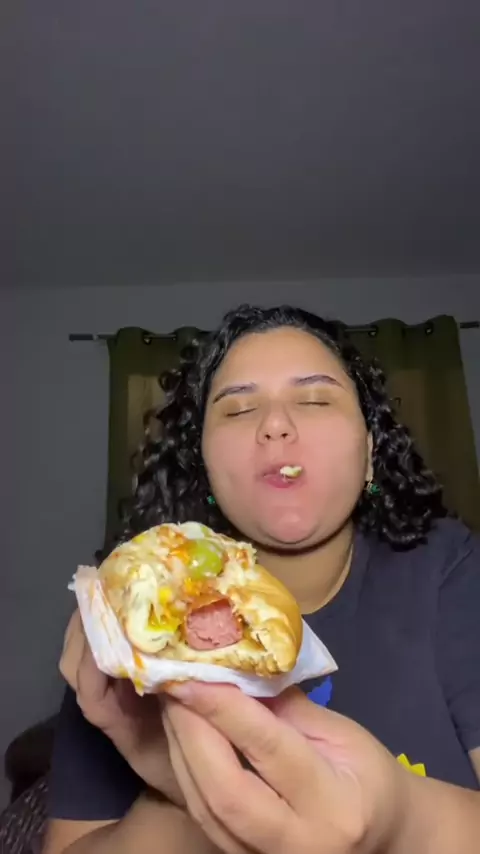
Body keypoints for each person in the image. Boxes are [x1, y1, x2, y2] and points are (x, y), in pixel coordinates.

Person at [43, 304, 480, 853]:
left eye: (315, 399)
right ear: (204, 468)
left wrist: (400, 820)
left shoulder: (451, 569)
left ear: (370, 453)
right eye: (238, 408)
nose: (274, 424)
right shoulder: (129, 629)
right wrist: (185, 788)